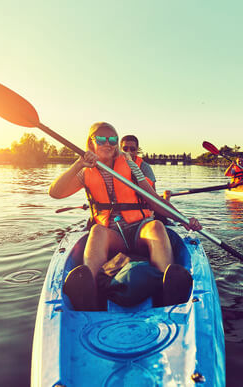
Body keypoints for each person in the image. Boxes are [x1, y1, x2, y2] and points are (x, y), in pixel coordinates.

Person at [49, 122, 201, 311]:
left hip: (139, 230)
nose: (108, 143)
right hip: (113, 236)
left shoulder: (131, 165)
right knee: (96, 231)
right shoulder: (84, 170)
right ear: (91, 142)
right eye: (101, 139)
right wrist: (78, 163)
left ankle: (165, 285)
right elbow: (55, 192)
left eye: (113, 139)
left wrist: (184, 220)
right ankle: (91, 290)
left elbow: (155, 200)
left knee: (156, 227)